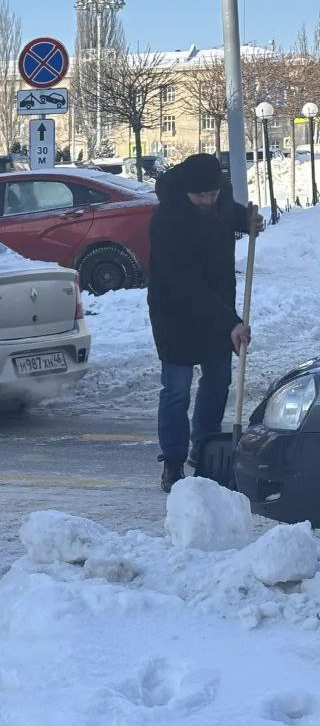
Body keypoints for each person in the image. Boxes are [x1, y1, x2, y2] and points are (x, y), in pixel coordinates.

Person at [148, 153, 263, 493]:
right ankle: (172, 462)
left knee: (217, 380)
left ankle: (204, 450)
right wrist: (231, 322)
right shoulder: (166, 220)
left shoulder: (218, 195)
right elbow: (186, 285)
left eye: (212, 194)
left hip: (218, 307)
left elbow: (227, 213)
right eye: (201, 196)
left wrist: (247, 219)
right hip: (175, 313)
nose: (208, 201)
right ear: (187, 191)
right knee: (177, 389)